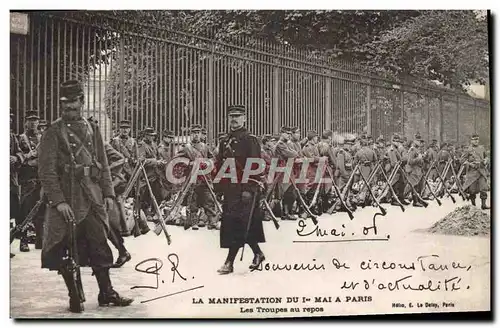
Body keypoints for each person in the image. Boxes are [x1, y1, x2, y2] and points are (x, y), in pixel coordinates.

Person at [38, 80, 132, 313]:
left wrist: (109, 193)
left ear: (81, 101)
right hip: (66, 200)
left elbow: (105, 165)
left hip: (92, 197)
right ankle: (74, 294)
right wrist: (58, 201)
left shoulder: (93, 128)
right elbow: (46, 171)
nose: (69, 107)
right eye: (65, 103)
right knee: (64, 248)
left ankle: (106, 292)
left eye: (73, 102)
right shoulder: (53, 131)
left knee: (99, 244)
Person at [215, 105, 265, 274]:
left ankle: (229, 262)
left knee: (240, 223)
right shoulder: (224, 140)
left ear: (244, 118)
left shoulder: (250, 139)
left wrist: (249, 189)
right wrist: (219, 187)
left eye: (238, 116)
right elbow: (220, 165)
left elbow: (255, 165)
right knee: (234, 224)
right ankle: (258, 253)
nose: (234, 119)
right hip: (230, 188)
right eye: (231, 116)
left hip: (245, 190)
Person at [18, 110, 43, 251]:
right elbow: (17, 155)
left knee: (41, 209)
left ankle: (40, 239)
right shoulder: (20, 138)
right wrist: (28, 157)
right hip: (27, 180)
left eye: (35, 120)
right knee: (25, 211)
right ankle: (23, 240)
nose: (33, 123)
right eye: (30, 120)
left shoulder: (42, 138)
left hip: (41, 179)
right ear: (26, 122)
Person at [462, 134, 490, 209]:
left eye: (477, 139)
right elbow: (462, 160)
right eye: (474, 140)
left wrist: (485, 160)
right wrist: (470, 164)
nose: (476, 141)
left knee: (483, 188)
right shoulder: (468, 149)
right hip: (472, 172)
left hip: (481, 171)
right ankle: (473, 205)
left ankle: (483, 205)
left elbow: (486, 156)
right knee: (472, 190)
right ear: (471, 141)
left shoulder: (482, 148)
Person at [10, 112, 24, 259]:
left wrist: (15, 157)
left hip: (11, 181)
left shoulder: (12, 137)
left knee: (10, 214)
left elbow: (20, 153)